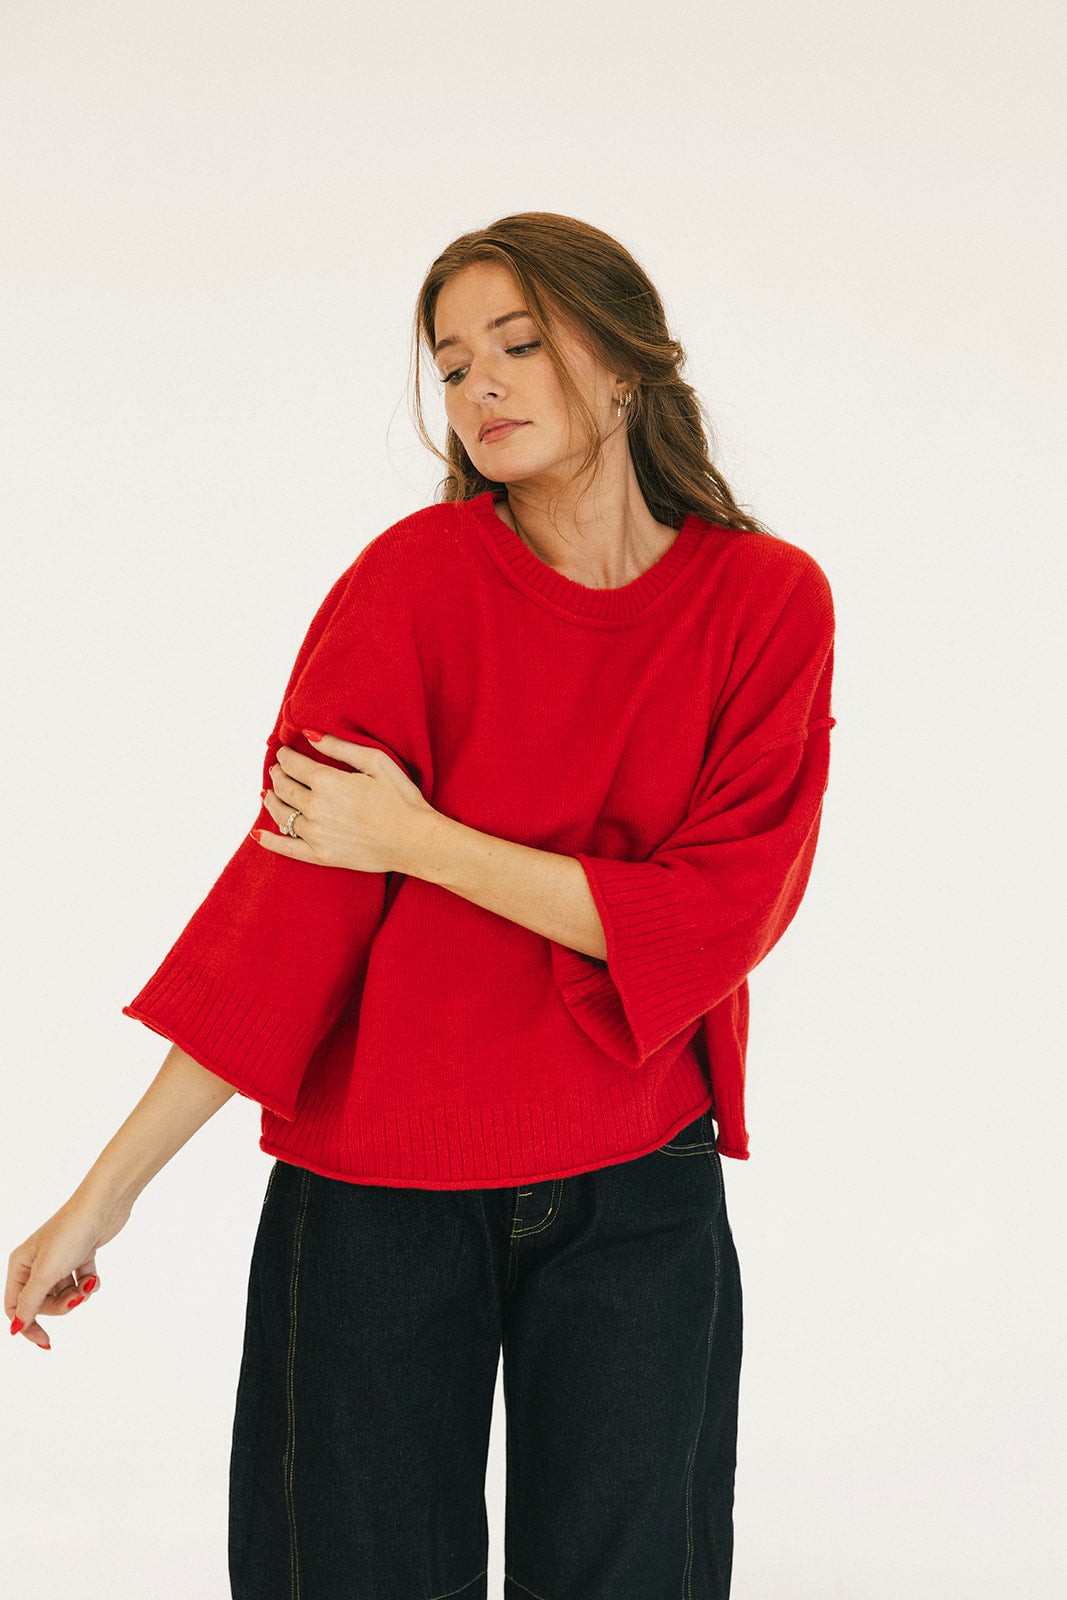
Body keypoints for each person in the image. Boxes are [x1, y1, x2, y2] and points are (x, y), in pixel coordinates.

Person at [6, 211, 836, 1599]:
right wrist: (104, 1197)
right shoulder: (411, 583)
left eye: (519, 344)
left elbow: (714, 920)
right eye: (451, 365)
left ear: (625, 360)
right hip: (372, 1199)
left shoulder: (766, 603)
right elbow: (288, 912)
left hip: (639, 1187)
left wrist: (425, 842)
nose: (479, 386)